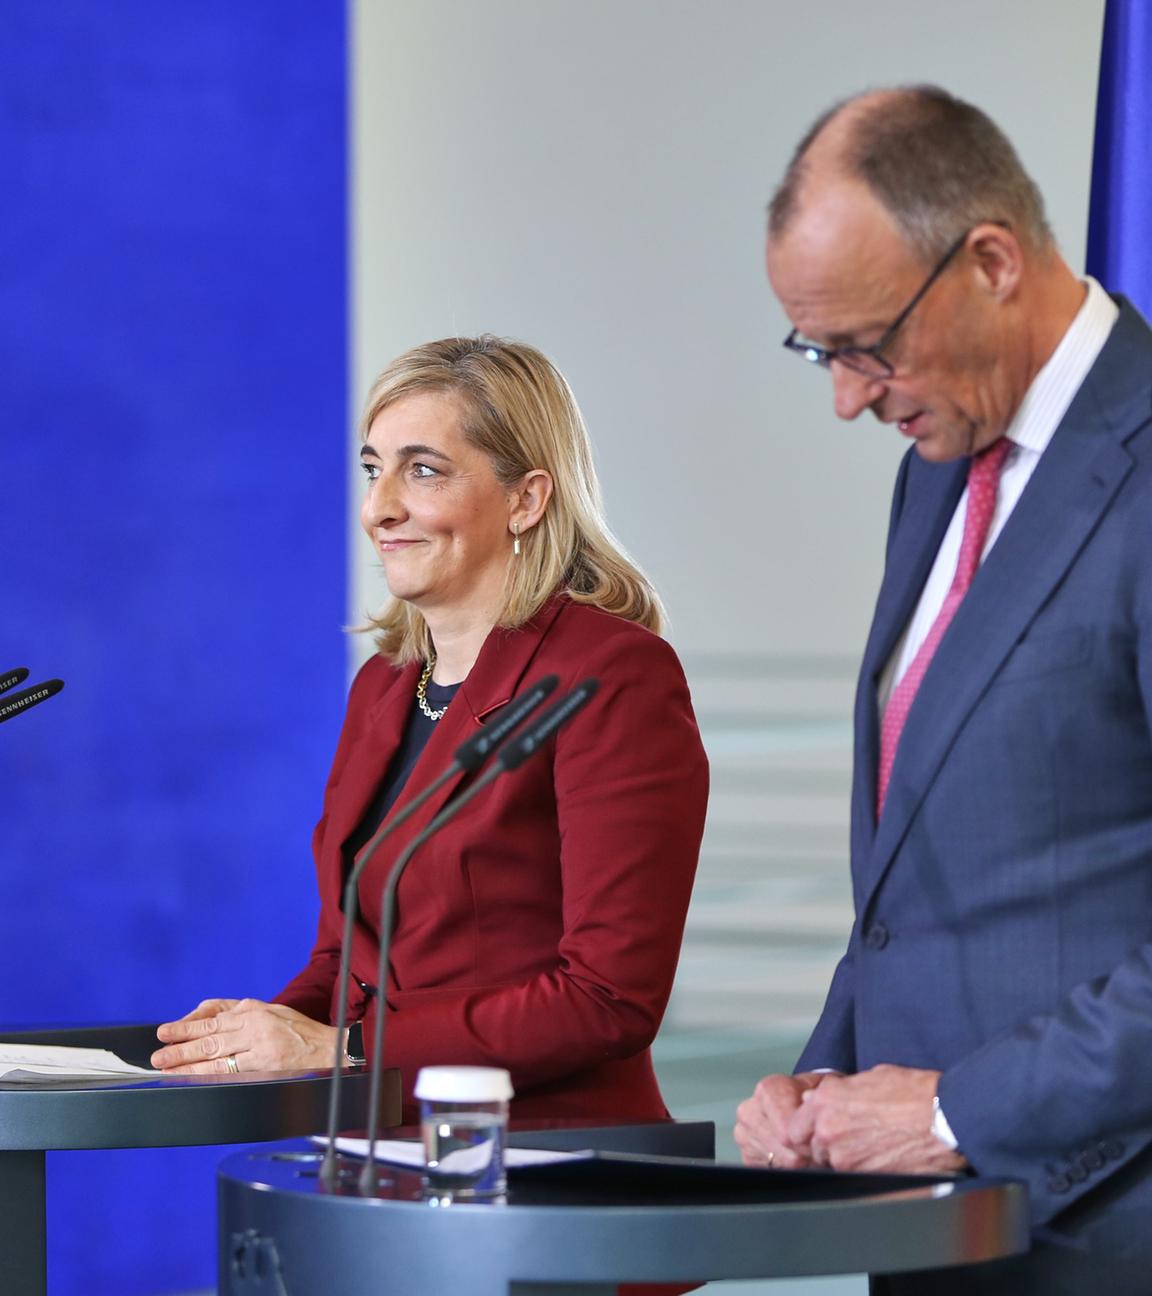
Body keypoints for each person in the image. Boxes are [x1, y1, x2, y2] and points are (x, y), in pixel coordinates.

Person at [734, 86, 1152, 1294]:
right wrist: (824, 1082)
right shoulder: (940, 464)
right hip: (934, 1236)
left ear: (992, 262)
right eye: (820, 350)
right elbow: (926, 870)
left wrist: (963, 1112)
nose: (847, 395)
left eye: (868, 344)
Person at [151, 335, 708, 1128]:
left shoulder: (612, 674)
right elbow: (349, 962)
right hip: (385, 1158)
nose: (380, 508)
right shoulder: (383, 684)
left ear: (527, 499)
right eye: (373, 469)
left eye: (423, 470)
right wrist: (253, 1039)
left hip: (552, 1169)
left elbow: (607, 998)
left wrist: (339, 1050)